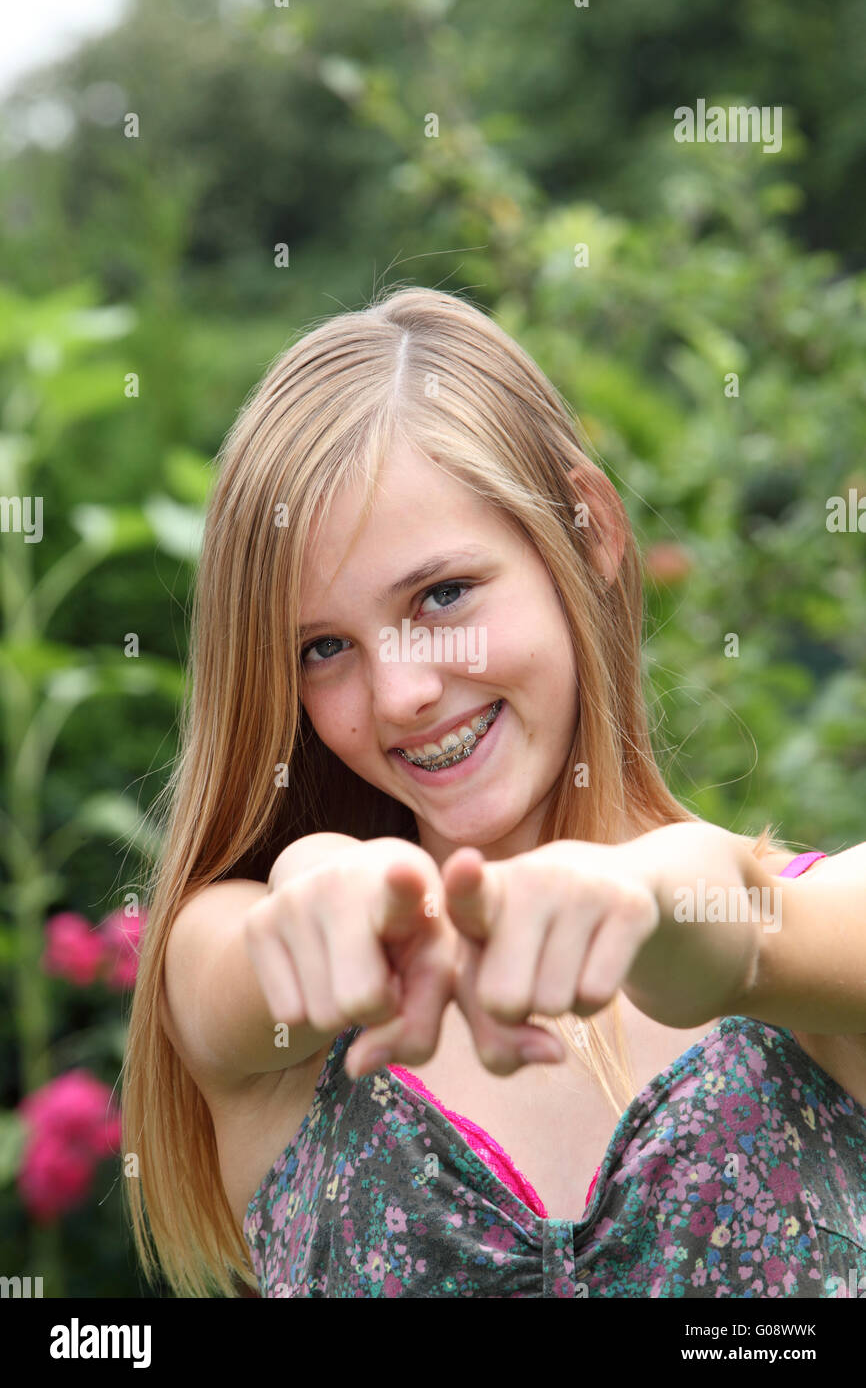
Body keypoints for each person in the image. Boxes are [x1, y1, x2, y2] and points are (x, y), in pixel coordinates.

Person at [121, 286, 866, 1299]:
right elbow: (238, 979)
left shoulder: (834, 935)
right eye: (324, 647)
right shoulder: (258, 976)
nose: (400, 695)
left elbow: (746, 929)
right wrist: (325, 883)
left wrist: (653, 903)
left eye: (441, 595)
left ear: (592, 532)